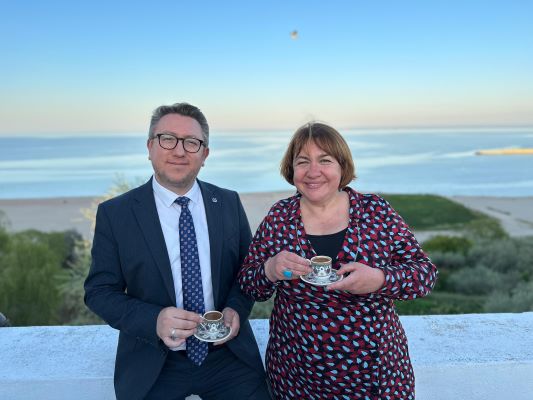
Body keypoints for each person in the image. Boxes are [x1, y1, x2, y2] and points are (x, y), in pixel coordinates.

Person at [238, 122, 438, 400]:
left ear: (342, 166)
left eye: (325, 160)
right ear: (291, 169)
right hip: (296, 376)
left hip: (375, 375)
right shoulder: (279, 217)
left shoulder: (376, 211)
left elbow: (424, 275)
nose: (313, 171)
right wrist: (269, 270)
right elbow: (249, 285)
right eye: (303, 161)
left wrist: (379, 279)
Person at [84, 103, 270, 400]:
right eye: (168, 139)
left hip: (228, 358)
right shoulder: (116, 214)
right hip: (153, 363)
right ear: (150, 147)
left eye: (191, 142)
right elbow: (99, 292)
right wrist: (154, 320)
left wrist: (236, 308)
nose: (179, 151)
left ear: (204, 154)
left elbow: (247, 273)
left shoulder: (228, 203)